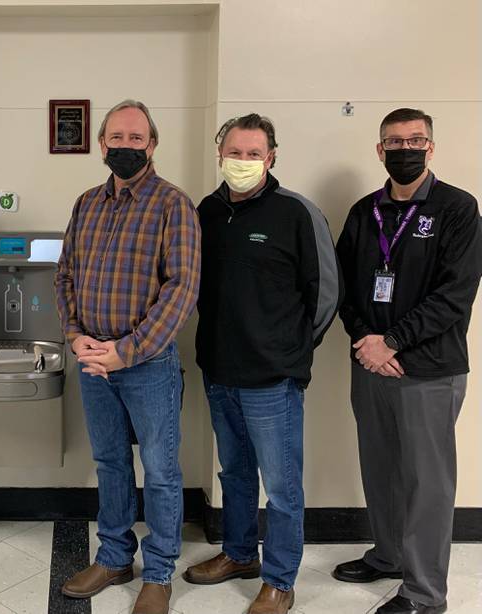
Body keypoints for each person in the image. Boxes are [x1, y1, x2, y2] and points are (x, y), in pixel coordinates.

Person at [183, 114, 341, 614]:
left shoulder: (297, 212)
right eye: (235, 152)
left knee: (282, 484)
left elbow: (326, 293)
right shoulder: (205, 211)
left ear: (271, 157)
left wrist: (292, 351)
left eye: (254, 153)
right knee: (233, 472)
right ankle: (237, 553)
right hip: (219, 369)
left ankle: (279, 580)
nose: (243, 162)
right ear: (220, 155)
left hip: (273, 377)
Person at [333, 108, 482, 614]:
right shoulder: (363, 212)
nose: (404, 149)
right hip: (370, 364)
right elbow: (342, 287)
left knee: (427, 482)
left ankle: (424, 594)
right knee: (380, 468)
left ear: (431, 147)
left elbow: (454, 297)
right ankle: (390, 554)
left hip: (429, 370)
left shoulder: (457, 209)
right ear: (379, 150)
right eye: (394, 142)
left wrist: (391, 341)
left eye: (415, 140)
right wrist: (365, 341)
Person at [55, 99, 200, 614]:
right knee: (110, 463)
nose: (125, 146)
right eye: (116, 138)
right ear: (101, 145)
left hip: (148, 365)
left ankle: (158, 572)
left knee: (160, 470)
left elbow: (182, 289)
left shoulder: (172, 205)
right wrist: (75, 337)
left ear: (153, 145)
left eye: (136, 139)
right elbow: (66, 275)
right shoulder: (86, 203)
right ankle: (115, 556)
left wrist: (128, 351)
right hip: (92, 361)